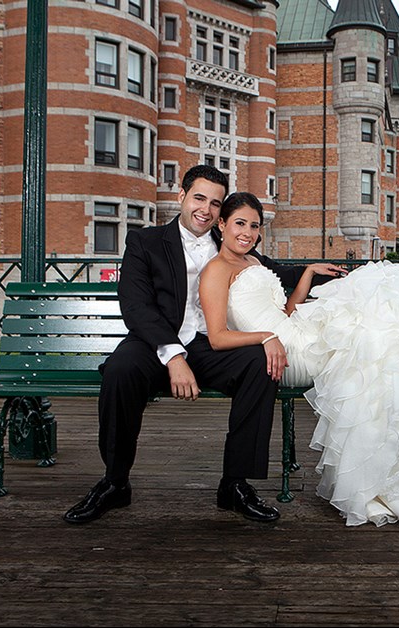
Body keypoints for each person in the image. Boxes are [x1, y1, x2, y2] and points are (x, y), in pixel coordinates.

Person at [199, 193, 399, 528]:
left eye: (254, 225)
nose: (247, 232)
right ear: (221, 224)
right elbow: (218, 337)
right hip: (290, 353)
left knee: (382, 326)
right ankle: (385, 470)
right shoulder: (216, 271)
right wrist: (264, 338)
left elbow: (285, 313)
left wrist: (307, 274)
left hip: (294, 330)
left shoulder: (252, 262)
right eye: (239, 223)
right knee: (373, 328)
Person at [63, 166, 319, 525]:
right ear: (180, 196)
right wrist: (173, 356)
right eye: (199, 198)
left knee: (260, 364)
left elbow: (275, 273)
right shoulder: (145, 242)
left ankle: (234, 484)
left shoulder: (230, 240)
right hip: (156, 344)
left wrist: (322, 271)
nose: (207, 209)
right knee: (121, 371)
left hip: (210, 344)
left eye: (215, 203)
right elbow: (136, 305)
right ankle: (115, 481)